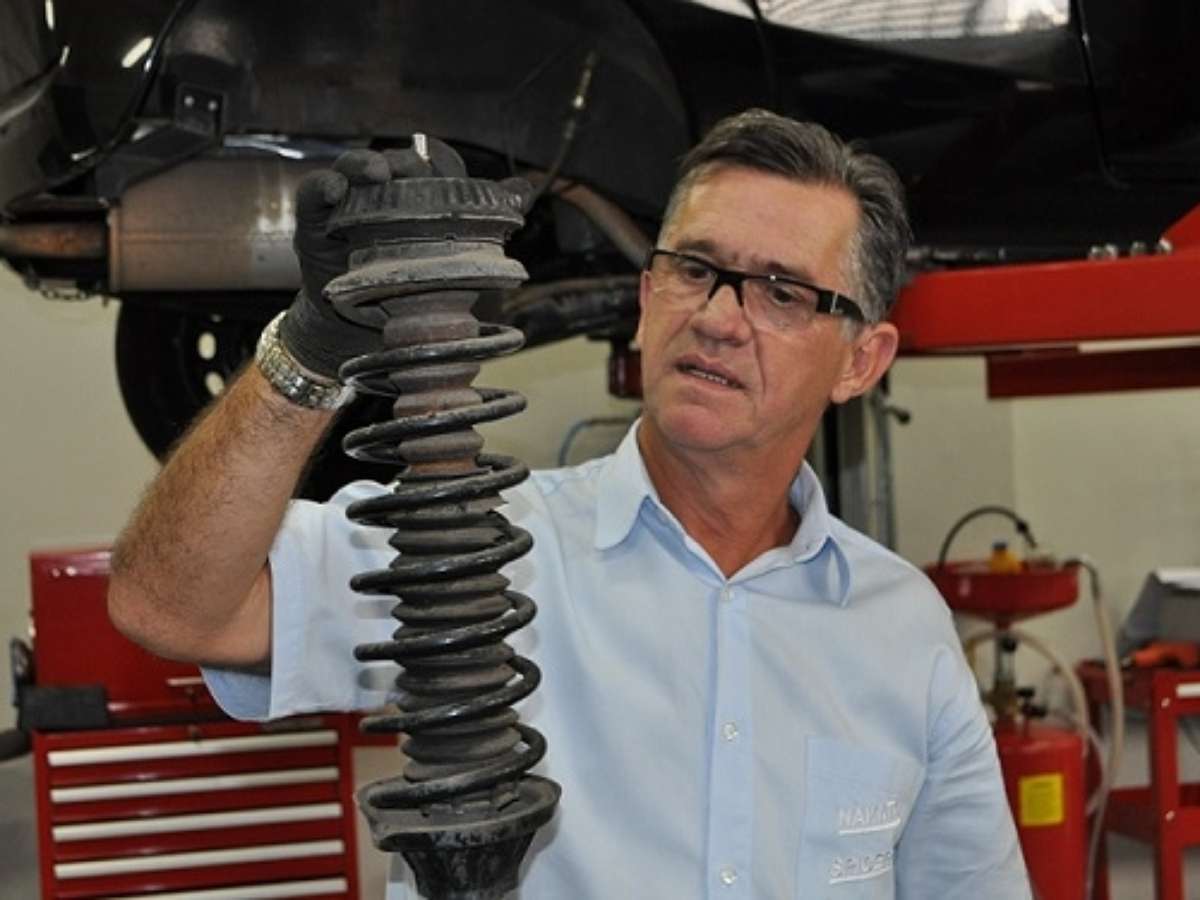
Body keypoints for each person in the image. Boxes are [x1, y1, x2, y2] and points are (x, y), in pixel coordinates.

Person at [108, 109, 1031, 898]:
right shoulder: (468, 549)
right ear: (646, 295)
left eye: (781, 292)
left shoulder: (903, 631)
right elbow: (167, 607)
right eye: (694, 268)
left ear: (862, 361)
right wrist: (308, 353)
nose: (718, 317)